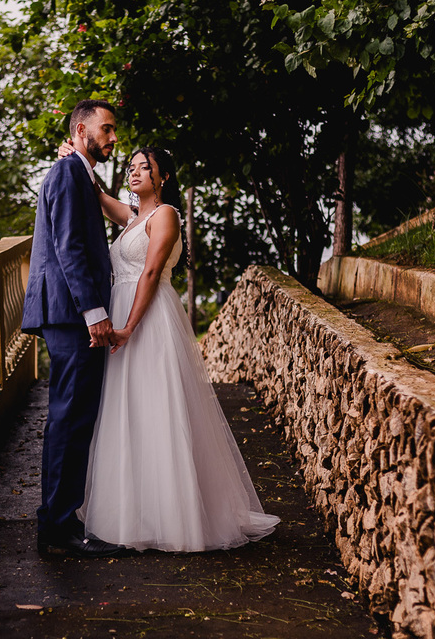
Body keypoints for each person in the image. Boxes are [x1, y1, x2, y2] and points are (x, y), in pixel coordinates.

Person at [65, 143, 280, 551]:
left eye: (145, 168)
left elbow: (149, 273)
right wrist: (75, 154)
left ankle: (175, 515)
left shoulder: (166, 215)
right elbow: (95, 194)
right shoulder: (133, 218)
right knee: (125, 411)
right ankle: (134, 511)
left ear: (163, 177)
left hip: (149, 318)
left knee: (157, 408)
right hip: (123, 310)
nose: (135, 173)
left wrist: (128, 327)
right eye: (131, 167)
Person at [20, 100, 127, 558]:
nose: (113, 138)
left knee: (74, 414)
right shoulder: (66, 174)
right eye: (106, 129)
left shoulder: (77, 171)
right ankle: (57, 528)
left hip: (68, 311)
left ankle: (60, 522)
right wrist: (94, 312)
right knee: (69, 416)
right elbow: (69, 247)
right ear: (81, 130)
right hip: (70, 313)